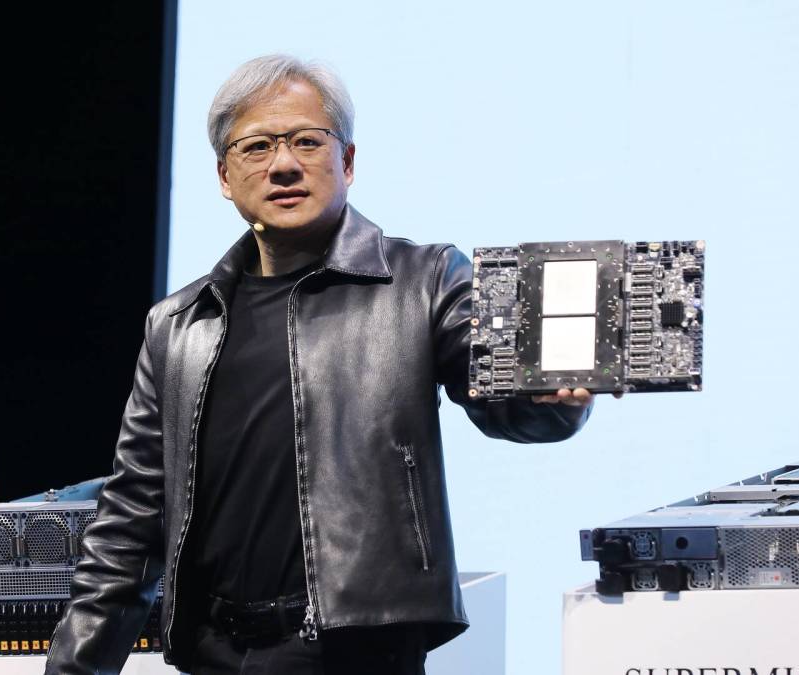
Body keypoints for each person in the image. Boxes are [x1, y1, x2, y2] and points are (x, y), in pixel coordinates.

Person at [45, 54, 597, 675]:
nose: (283, 164)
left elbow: (505, 400)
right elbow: (131, 518)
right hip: (213, 654)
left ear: (348, 162)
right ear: (225, 175)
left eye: (307, 141)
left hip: (359, 650)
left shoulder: (423, 280)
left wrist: (551, 398)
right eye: (256, 147)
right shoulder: (178, 324)